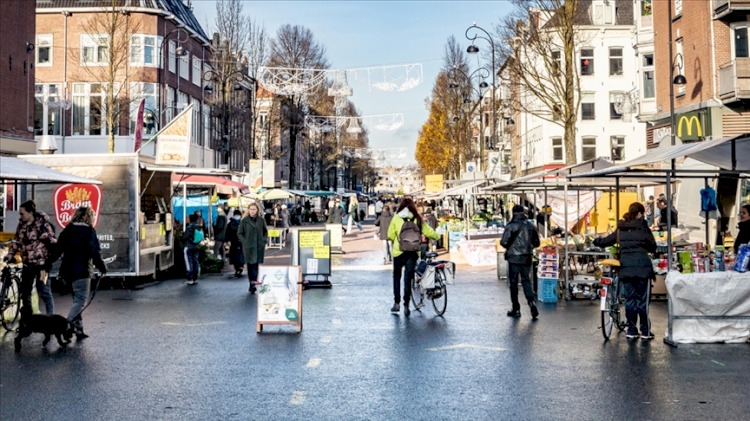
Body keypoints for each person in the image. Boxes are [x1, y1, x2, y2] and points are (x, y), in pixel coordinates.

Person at [594, 202, 657, 339]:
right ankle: (645, 331)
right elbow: (653, 246)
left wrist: (596, 241)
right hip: (642, 270)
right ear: (640, 214)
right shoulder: (643, 227)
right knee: (642, 300)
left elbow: (606, 241)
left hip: (626, 269)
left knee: (630, 299)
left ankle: (632, 330)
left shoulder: (621, 228)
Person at [46, 207, 107, 341]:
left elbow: (57, 251)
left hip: (66, 272)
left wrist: (47, 264)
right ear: (89, 217)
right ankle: (66, 325)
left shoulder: (67, 231)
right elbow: (95, 253)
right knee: (80, 301)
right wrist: (102, 268)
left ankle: (79, 329)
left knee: (76, 301)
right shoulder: (89, 232)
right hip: (82, 272)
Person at [3, 200, 57, 323]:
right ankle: (28, 320)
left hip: (41, 265)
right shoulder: (21, 225)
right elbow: (17, 241)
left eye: (22, 213)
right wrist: (10, 254)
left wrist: (46, 236)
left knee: (44, 292)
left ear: (30, 212)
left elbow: (54, 242)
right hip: (27, 264)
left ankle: (51, 320)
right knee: (25, 292)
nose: (20, 216)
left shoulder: (43, 224)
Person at [387, 198, 440, 316]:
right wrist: (437, 237)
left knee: (397, 277)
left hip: (398, 252)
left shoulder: (396, 217)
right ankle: (406, 305)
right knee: (408, 279)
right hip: (412, 252)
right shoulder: (417, 218)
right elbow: (428, 231)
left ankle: (396, 303)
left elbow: (390, 235)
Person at [501, 205, 541, 320]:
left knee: (513, 283)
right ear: (523, 213)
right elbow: (537, 243)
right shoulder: (530, 225)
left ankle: (516, 308)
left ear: (513, 213)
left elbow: (504, 242)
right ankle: (531, 303)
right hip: (527, 257)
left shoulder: (511, 226)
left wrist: (510, 246)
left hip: (513, 257)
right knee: (526, 281)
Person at [237, 202, 268, 293]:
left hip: (258, 246)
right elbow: (239, 233)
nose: (252, 211)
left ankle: (253, 283)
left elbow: (265, 232)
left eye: (254, 209)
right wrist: (245, 242)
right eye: (250, 209)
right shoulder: (244, 220)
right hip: (248, 246)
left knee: (255, 265)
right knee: (250, 265)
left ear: (257, 210)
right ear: (248, 210)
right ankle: (251, 282)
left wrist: (263, 240)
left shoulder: (261, 220)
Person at [181, 214, 202, 285]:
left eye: (188, 218)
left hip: (189, 246)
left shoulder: (190, 227)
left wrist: (182, 235)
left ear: (190, 219)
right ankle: (195, 278)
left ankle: (190, 278)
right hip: (196, 246)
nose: (187, 219)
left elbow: (184, 237)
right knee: (195, 261)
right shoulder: (199, 226)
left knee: (188, 262)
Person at [225, 209, 245, 278]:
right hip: (233, 242)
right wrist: (228, 240)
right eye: (236, 215)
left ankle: (241, 267)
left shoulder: (243, 223)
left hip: (241, 242)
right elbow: (227, 233)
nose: (237, 216)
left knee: (241, 255)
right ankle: (237, 269)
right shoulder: (230, 224)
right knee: (234, 256)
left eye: (238, 215)